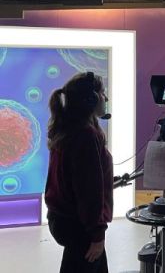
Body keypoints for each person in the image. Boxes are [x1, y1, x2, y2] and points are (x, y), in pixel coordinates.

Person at [44, 72, 113, 273]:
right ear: (90, 99)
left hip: (64, 219)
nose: (105, 98)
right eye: (102, 93)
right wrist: (97, 235)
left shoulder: (69, 129)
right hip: (81, 226)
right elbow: (88, 191)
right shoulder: (86, 135)